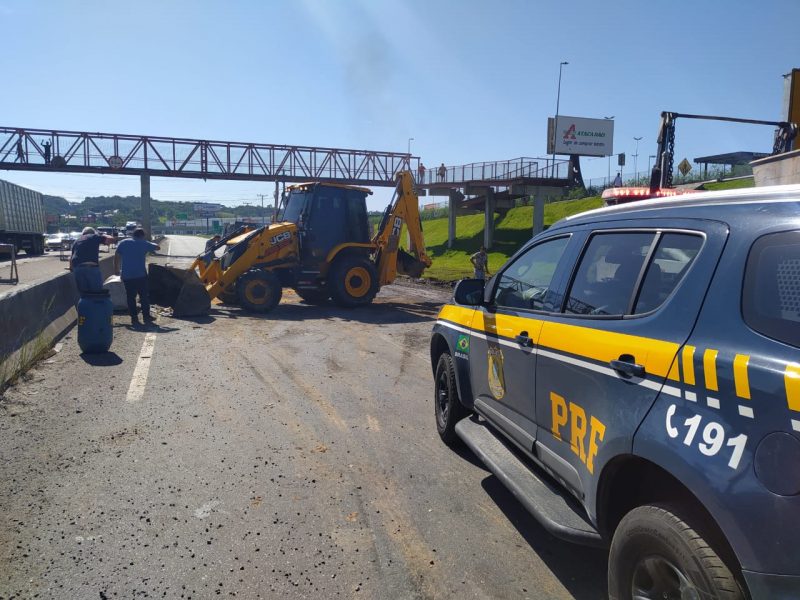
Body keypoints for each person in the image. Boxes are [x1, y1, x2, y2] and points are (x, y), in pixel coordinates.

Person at [114, 228, 160, 326]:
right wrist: (147, 242)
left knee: (131, 297)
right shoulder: (144, 243)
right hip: (140, 276)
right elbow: (157, 247)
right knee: (144, 296)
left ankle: (134, 319)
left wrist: (116, 269)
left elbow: (116, 255)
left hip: (127, 275)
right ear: (142, 235)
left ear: (133, 235)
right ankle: (146, 316)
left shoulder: (123, 242)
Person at [70, 227, 116, 293]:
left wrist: (71, 268)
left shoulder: (77, 240)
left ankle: (85, 303)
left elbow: (71, 257)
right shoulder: (94, 236)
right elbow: (111, 239)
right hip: (91, 267)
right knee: (97, 292)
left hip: (78, 268)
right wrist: (102, 234)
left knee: (84, 294)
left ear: (83, 233)